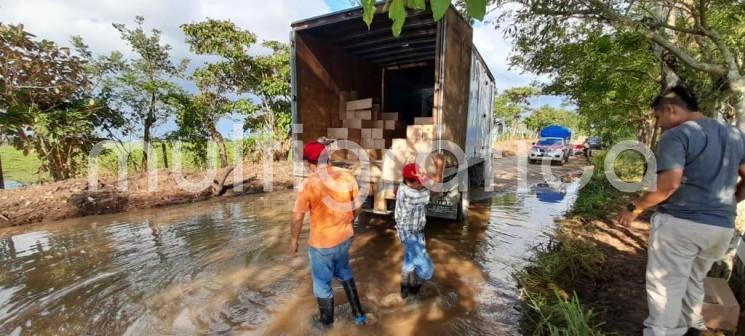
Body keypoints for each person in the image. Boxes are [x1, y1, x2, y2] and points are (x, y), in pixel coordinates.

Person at [617, 86, 742, 336]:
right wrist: (729, 203)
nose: (660, 125)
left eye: (658, 117)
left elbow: (669, 184)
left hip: (682, 226)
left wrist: (635, 207)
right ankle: (693, 328)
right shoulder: (735, 135)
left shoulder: (677, 135)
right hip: (721, 228)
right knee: (693, 281)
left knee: (665, 287)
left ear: (671, 109)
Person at [291, 141, 367, 326]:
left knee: (322, 284)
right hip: (345, 239)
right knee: (344, 272)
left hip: (322, 245)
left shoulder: (308, 184)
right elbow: (357, 208)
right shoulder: (346, 176)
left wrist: (294, 240)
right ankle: (359, 316)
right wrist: (348, 223)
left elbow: (298, 217)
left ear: (310, 163)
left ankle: (326, 324)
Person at [394, 163, 434, 298]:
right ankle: (413, 292)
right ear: (411, 182)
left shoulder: (405, 187)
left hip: (413, 231)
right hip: (409, 234)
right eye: (421, 181)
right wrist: (440, 168)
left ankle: (404, 293)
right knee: (427, 269)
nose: (424, 184)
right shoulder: (411, 194)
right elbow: (436, 191)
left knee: (409, 261)